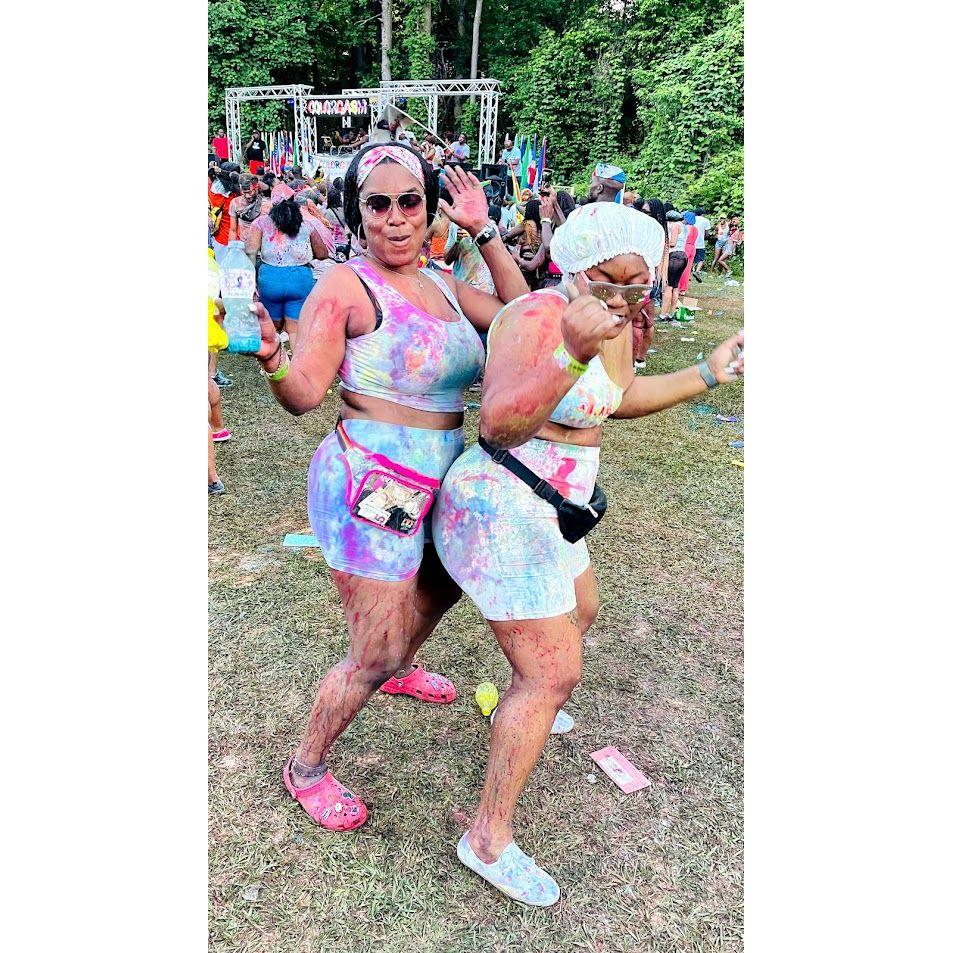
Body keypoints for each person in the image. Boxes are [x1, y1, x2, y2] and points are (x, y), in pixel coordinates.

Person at [432, 201, 743, 906]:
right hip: (501, 505)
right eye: (609, 280)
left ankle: (513, 698)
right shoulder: (535, 317)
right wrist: (570, 349)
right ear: (574, 266)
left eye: (638, 284)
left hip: (554, 507)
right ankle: (487, 837)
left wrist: (707, 370)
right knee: (553, 672)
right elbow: (499, 423)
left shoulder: (617, 321)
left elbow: (615, 397)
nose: (624, 297)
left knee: (583, 607)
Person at [242, 146, 529, 833]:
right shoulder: (346, 286)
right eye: (378, 203)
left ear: (428, 211)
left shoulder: (443, 282)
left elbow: (527, 319)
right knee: (372, 648)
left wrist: (484, 231)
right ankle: (306, 765)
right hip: (373, 484)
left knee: (439, 585)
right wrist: (276, 360)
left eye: (409, 202)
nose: (395, 217)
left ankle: (401, 665)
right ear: (356, 213)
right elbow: (304, 393)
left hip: (443, 476)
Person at [243, 183, 329, 353]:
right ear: (294, 201)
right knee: (295, 329)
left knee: (271, 327)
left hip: (270, 279)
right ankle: (296, 363)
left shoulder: (261, 223)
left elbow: (250, 252)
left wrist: (251, 281)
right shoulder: (306, 225)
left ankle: (273, 362)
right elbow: (322, 254)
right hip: (300, 278)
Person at [208, 162, 241, 263]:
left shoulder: (212, 190)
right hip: (238, 241)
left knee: (221, 267)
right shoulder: (237, 197)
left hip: (218, 238)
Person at [661, 210, 688, 322]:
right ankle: (671, 314)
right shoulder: (684, 226)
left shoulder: (675, 226)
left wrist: (663, 242)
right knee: (675, 286)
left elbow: (673, 243)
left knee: (668, 287)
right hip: (683, 256)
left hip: (674, 256)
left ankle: (663, 315)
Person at [675, 211, 700, 311]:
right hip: (693, 248)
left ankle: (678, 287)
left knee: (681, 268)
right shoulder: (695, 228)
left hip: (686, 247)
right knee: (688, 269)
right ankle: (683, 289)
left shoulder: (686, 228)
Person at [691, 208, 712, 282]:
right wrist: (706, 236)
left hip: (691, 243)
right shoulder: (705, 220)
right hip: (700, 243)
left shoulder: (692, 219)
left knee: (690, 258)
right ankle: (697, 271)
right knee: (701, 259)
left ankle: (688, 273)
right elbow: (707, 234)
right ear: (703, 214)